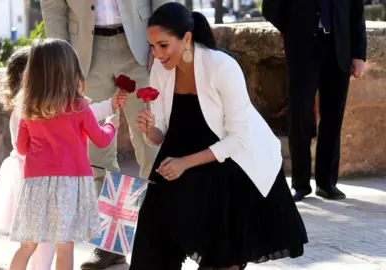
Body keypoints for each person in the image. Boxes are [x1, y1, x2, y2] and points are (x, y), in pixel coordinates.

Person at [132, 3, 308, 269]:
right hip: (180, 158)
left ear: (187, 38)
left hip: (235, 164)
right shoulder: (160, 69)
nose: (156, 54)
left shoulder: (222, 66)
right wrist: (149, 131)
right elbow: (162, 134)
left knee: (222, 258)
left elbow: (239, 139)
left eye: (163, 45)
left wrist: (185, 163)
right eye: (152, 46)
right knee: (151, 239)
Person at [40, 0, 172, 268]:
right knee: (96, 154)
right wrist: (62, 61)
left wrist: (164, 38)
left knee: (152, 146)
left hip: (139, 43)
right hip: (86, 54)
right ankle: (112, 244)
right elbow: (53, 7)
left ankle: (161, 238)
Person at [0, 46, 126, 270]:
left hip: (35, 185)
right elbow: (102, 140)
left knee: (27, 246)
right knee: (64, 247)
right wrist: (112, 123)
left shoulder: (28, 109)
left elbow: (22, 149)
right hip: (70, 185)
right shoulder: (79, 107)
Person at [262, 0, 367, 201]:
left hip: (339, 49)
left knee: (333, 117)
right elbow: (271, 8)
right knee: (299, 114)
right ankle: (300, 183)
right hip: (303, 49)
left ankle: (326, 183)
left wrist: (359, 54)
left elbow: (356, 12)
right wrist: (295, 29)